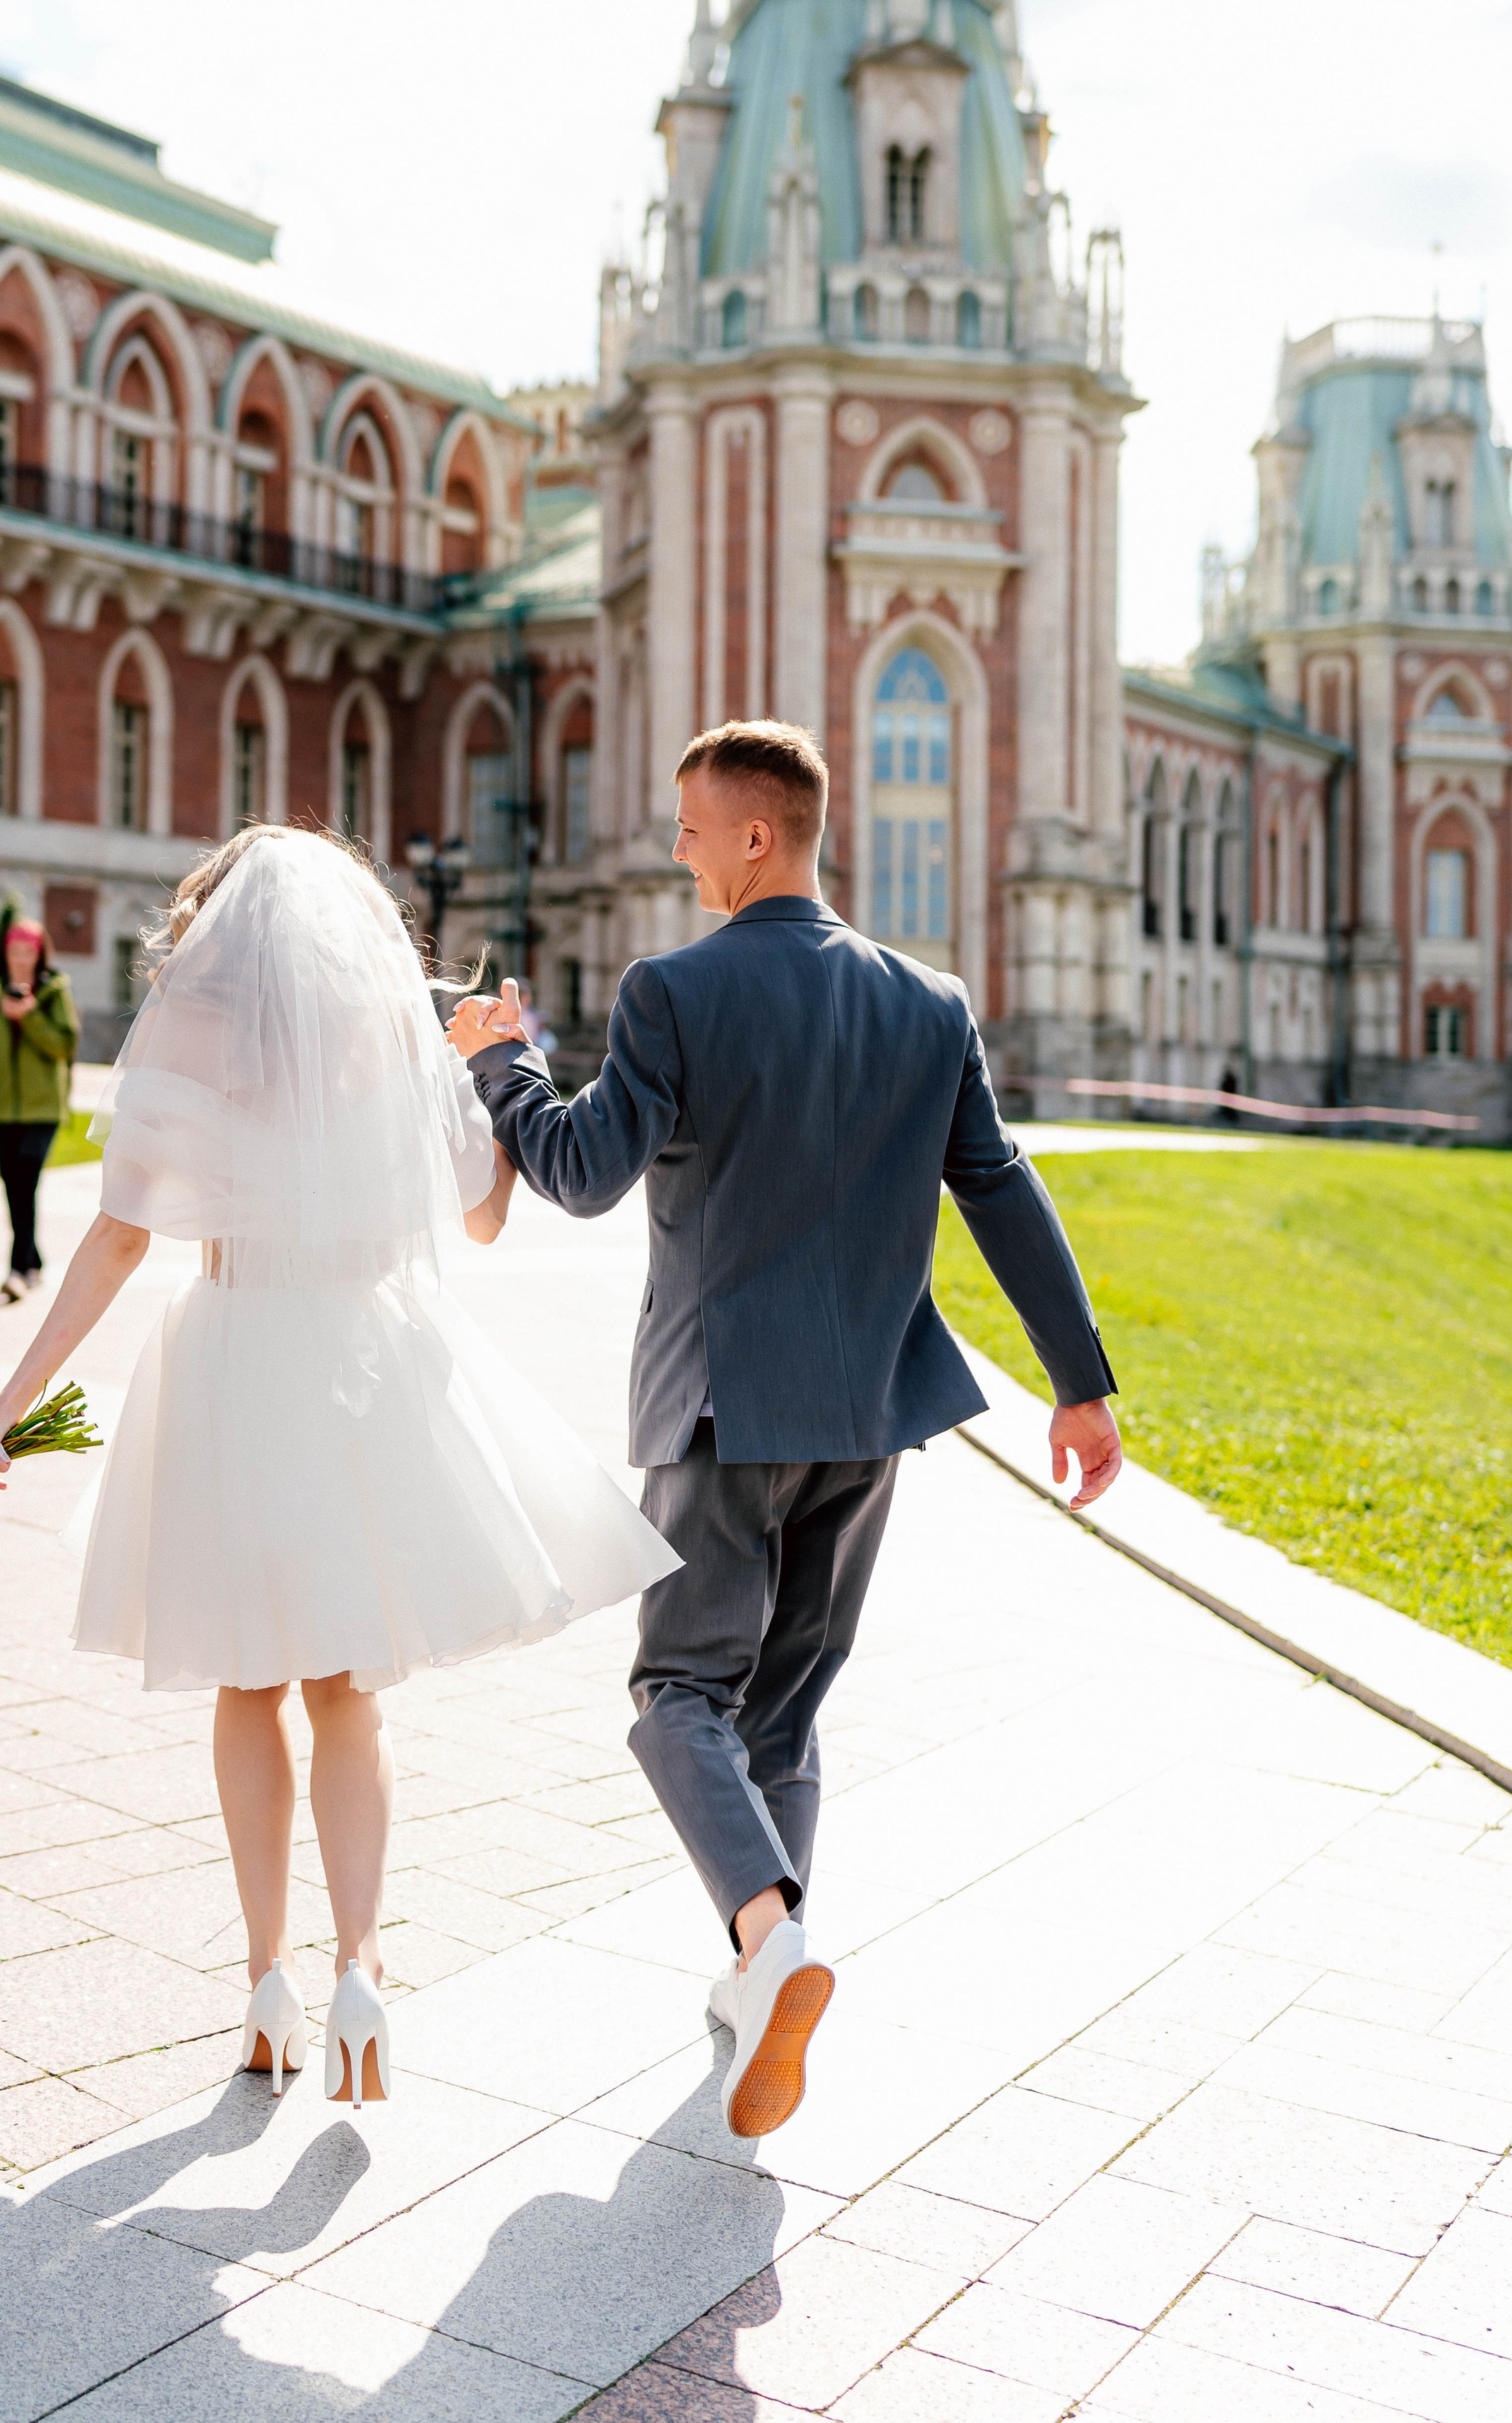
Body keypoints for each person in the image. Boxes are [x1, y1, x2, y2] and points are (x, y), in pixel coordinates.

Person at [450, 718, 1122, 2141]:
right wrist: (1078, 1381)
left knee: (675, 1695)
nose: (679, 844)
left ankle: (770, 1940)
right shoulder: (928, 1001)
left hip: (716, 1414)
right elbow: (997, 1188)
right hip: (869, 1420)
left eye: (693, 823)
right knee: (787, 1708)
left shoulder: (671, 992)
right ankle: (761, 1971)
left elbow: (573, 1171)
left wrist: (502, 1063)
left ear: (757, 834)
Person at [0, 827, 677, 2103]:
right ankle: (362, 1973)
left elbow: (117, 1240)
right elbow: (485, 1218)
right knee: (349, 1688)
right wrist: (489, 1068)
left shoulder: (195, 1034)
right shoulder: (391, 1042)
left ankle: (265, 1979)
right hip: (369, 1360)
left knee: (247, 1682)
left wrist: (3, 1405)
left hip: (233, 1352)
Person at [0, 913, 81, 1300]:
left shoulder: (55, 992)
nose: (20, 959)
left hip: (44, 1109)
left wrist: (31, 1017)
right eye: (14, 952)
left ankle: (17, 1269)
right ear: (5, 955)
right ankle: (33, 1260)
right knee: (13, 1188)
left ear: (40, 955)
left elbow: (65, 1045)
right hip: (3, 1108)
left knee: (26, 1180)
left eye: (28, 952)